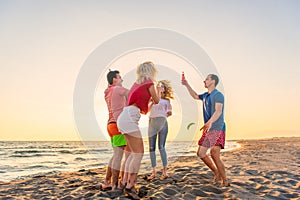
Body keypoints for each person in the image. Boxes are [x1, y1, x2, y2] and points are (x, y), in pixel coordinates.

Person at [117, 61, 163, 199]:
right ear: (151, 71)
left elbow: (146, 108)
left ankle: (124, 182)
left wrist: (152, 100)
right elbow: (157, 100)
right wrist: (159, 92)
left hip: (125, 117)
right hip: (130, 118)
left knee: (131, 153)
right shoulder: (149, 83)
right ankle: (131, 185)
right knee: (139, 153)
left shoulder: (137, 84)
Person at [182, 74, 229, 187]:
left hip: (218, 127)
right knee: (201, 153)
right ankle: (216, 172)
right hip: (209, 129)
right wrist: (186, 84)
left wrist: (209, 122)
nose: (204, 80)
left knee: (214, 154)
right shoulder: (205, 96)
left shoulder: (218, 95)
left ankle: (225, 181)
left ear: (213, 81)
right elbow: (195, 96)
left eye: (207, 79)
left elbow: (218, 111)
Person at [103, 70, 129, 191]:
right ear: (114, 80)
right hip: (118, 125)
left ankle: (107, 181)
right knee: (118, 156)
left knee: (115, 155)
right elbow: (131, 94)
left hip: (110, 125)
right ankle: (114, 185)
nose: (122, 80)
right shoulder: (118, 89)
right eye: (120, 77)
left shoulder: (107, 91)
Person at [148, 80, 174, 180]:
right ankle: (153, 172)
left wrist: (169, 112)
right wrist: (156, 94)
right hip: (152, 122)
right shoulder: (151, 99)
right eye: (158, 86)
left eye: (162, 86)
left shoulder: (167, 101)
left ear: (165, 89)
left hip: (162, 122)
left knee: (161, 147)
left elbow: (169, 111)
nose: (160, 87)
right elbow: (149, 109)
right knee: (151, 148)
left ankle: (165, 172)